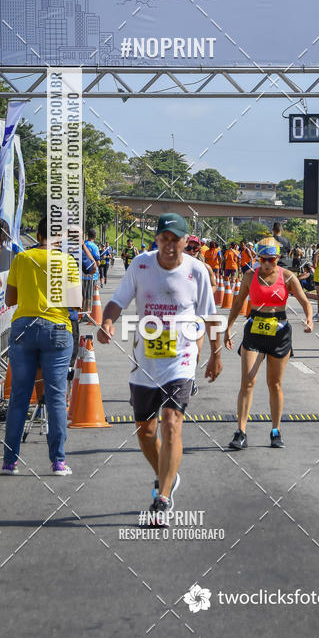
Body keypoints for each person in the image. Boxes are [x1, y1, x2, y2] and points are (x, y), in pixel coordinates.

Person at [97, 213, 222, 522]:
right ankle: (167, 472)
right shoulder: (140, 265)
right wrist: (107, 321)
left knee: (171, 422)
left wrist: (216, 353)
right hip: (146, 360)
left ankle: (163, 498)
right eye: (164, 239)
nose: (169, 245)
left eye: (175, 240)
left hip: (181, 359)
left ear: (185, 241)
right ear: (157, 239)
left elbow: (209, 316)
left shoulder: (197, 272)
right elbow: (118, 300)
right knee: (145, 431)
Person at [2, 216, 81, 475]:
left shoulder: (22, 258)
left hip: (23, 328)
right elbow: (75, 304)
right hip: (57, 329)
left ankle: (9, 462)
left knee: (19, 397)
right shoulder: (67, 260)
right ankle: (58, 461)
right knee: (57, 396)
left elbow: (11, 299)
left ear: (38, 234)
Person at [224, 237, 313, 450]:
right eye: (263, 259)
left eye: (271, 260)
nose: (266, 264)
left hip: (279, 332)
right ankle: (241, 432)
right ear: (257, 258)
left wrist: (309, 319)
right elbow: (237, 302)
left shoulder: (288, 277)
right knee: (247, 381)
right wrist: (228, 328)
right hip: (255, 329)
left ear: (278, 259)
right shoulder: (249, 276)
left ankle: (275, 431)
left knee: (275, 384)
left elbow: (304, 301)